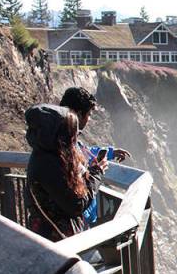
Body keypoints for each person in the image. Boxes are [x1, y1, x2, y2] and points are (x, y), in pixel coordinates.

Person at [23, 104, 107, 241]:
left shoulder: (49, 156)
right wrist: (96, 174)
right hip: (55, 243)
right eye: (72, 131)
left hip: (50, 238)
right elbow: (76, 204)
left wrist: (90, 172)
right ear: (60, 134)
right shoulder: (48, 164)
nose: (75, 137)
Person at [59, 86, 131, 225]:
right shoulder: (64, 144)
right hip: (76, 224)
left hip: (77, 220)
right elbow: (75, 192)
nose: (89, 119)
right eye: (89, 114)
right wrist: (97, 171)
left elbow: (83, 152)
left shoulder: (62, 137)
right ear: (79, 114)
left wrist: (109, 152)